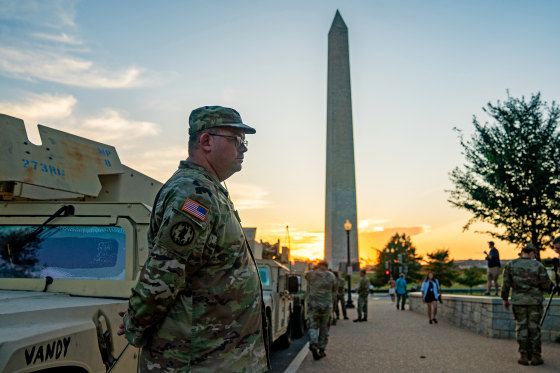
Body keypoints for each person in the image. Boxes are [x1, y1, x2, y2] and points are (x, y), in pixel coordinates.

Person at [117, 106, 269, 372]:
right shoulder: (194, 192)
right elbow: (164, 274)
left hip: (217, 356)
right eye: (237, 140)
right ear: (206, 141)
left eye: (244, 142)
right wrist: (135, 323)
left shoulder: (209, 189)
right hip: (199, 360)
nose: (244, 148)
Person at [501, 243, 553, 366]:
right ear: (531, 253)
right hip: (534, 302)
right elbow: (545, 284)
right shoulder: (538, 265)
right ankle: (535, 356)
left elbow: (506, 285)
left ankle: (523, 355)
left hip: (518, 302)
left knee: (521, 327)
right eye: (534, 254)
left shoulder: (511, 265)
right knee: (534, 328)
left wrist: (505, 299)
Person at [306, 261, 336, 360]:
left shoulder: (311, 274)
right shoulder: (331, 276)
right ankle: (322, 349)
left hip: (314, 305)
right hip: (327, 305)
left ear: (319, 265)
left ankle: (313, 343)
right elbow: (334, 289)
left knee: (313, 325)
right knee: (324, 327)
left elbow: (306, 275)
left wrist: (314, 269)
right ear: (327, 267)